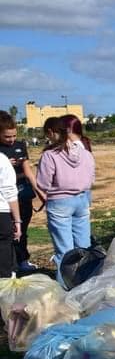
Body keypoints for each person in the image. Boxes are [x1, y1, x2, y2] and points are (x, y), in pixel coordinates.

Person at [35, 114, 96, 278]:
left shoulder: (49, 155)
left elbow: (42, 183)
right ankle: (87, 279)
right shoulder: (85, 153)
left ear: (50, 132)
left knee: (64, 250)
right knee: (84, 246)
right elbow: (91, 178)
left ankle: (65, 285)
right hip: (82, 200)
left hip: (59, 202)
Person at [0, 111, 42, 272]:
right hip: (4, 198)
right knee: (6, 233)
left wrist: (39, 190)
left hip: (21, 193)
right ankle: (9, 265)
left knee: (22, 230)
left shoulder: (20, 146)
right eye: (7, 137)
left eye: (13, 136)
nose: (11, 140)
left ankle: (22, 260)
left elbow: (28, 170)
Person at [0, 129, 22, 278]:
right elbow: (9, 192)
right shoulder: (2, 160)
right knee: (4, 250)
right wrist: (18, 220)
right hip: (2, 212)